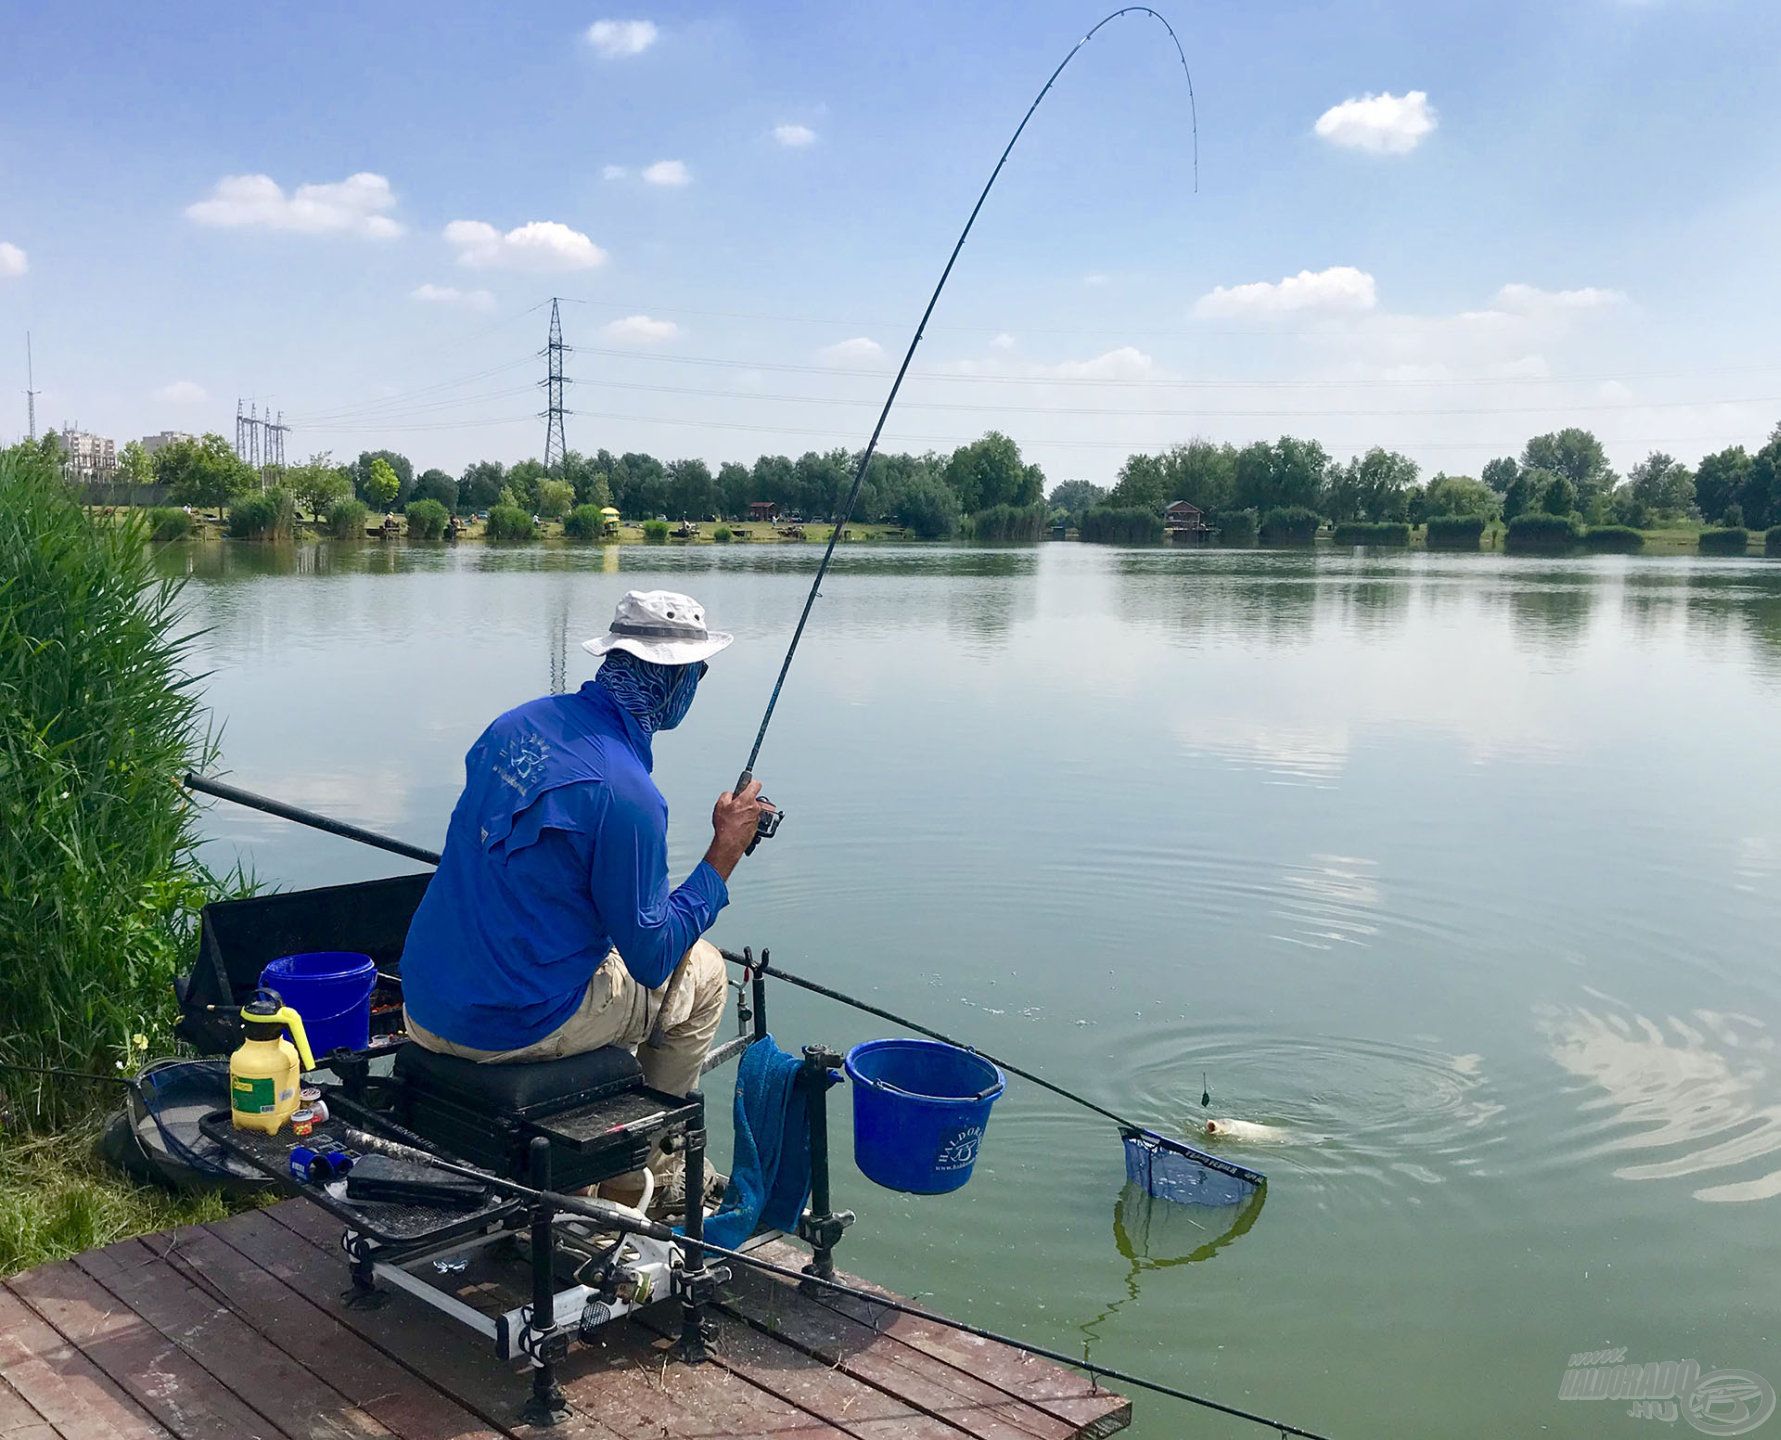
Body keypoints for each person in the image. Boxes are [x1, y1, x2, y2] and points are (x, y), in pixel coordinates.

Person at [400, 588, 769, 1120]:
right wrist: (724, 854)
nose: (699, 683)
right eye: (698, 672)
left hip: (427, 997)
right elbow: (653, 957)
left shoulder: (512, 726)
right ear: (674, 679)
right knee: (707, 973)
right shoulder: (628, 795)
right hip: (510, 1027)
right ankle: (646, 1163)